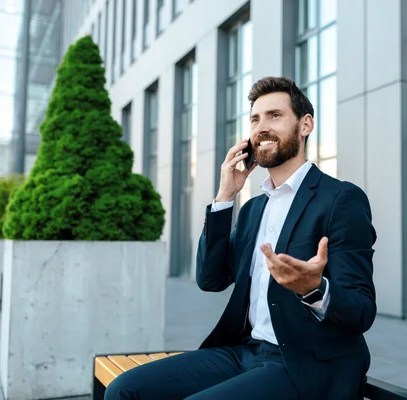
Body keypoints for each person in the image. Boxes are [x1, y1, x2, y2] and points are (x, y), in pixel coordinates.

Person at [105, 76, 377, 400]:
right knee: (124, 391)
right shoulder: (252, 208)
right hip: (243, 352)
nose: (261, 126)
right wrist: (224, 196)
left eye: (275, 116)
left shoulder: (340, 199)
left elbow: (362, 310)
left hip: (303, 365)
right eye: (255, 119)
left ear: (305, 125)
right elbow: (210, 279)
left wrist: (313, 289)